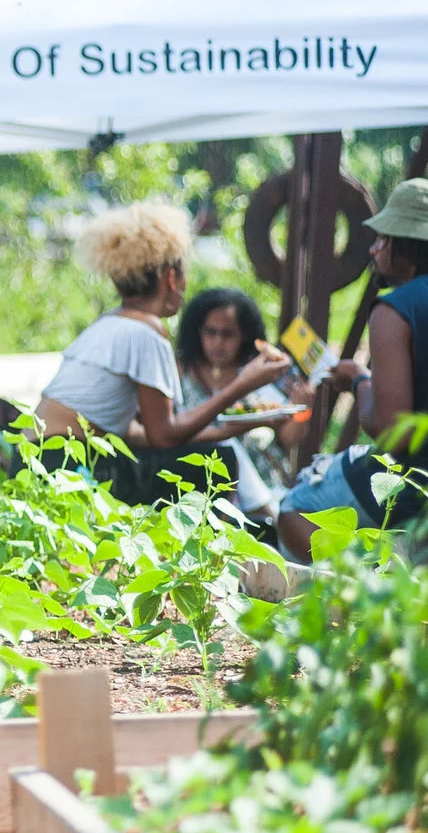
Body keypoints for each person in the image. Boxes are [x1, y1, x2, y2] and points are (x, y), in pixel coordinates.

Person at [34, 204, 293, 506]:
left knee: (206, 455)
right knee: (215, 463)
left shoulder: (109, 323)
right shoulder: (147, 331)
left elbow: (136, 435)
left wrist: (230, 428)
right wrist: (244, 384)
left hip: (35, 462)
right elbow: (164, 437)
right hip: (68, 466)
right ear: (171, 278)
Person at [275, 178, 428, 560]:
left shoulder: (395, 310)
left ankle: (365, 580)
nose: (374, 249)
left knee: (293, 508)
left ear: (408, 246)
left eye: (384, 239)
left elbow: (392, 431)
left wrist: (359, 380)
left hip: (414, 480)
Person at [171, 287, 307, 512]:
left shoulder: (261, 371)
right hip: (203, 486)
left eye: (228, 335)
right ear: (197, 331)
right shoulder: (180, 371)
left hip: (269, 481)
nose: (218, 342)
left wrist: (304, 407)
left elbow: (288, 439)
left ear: (244, 335)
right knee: (226, 447)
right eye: (210, 332)